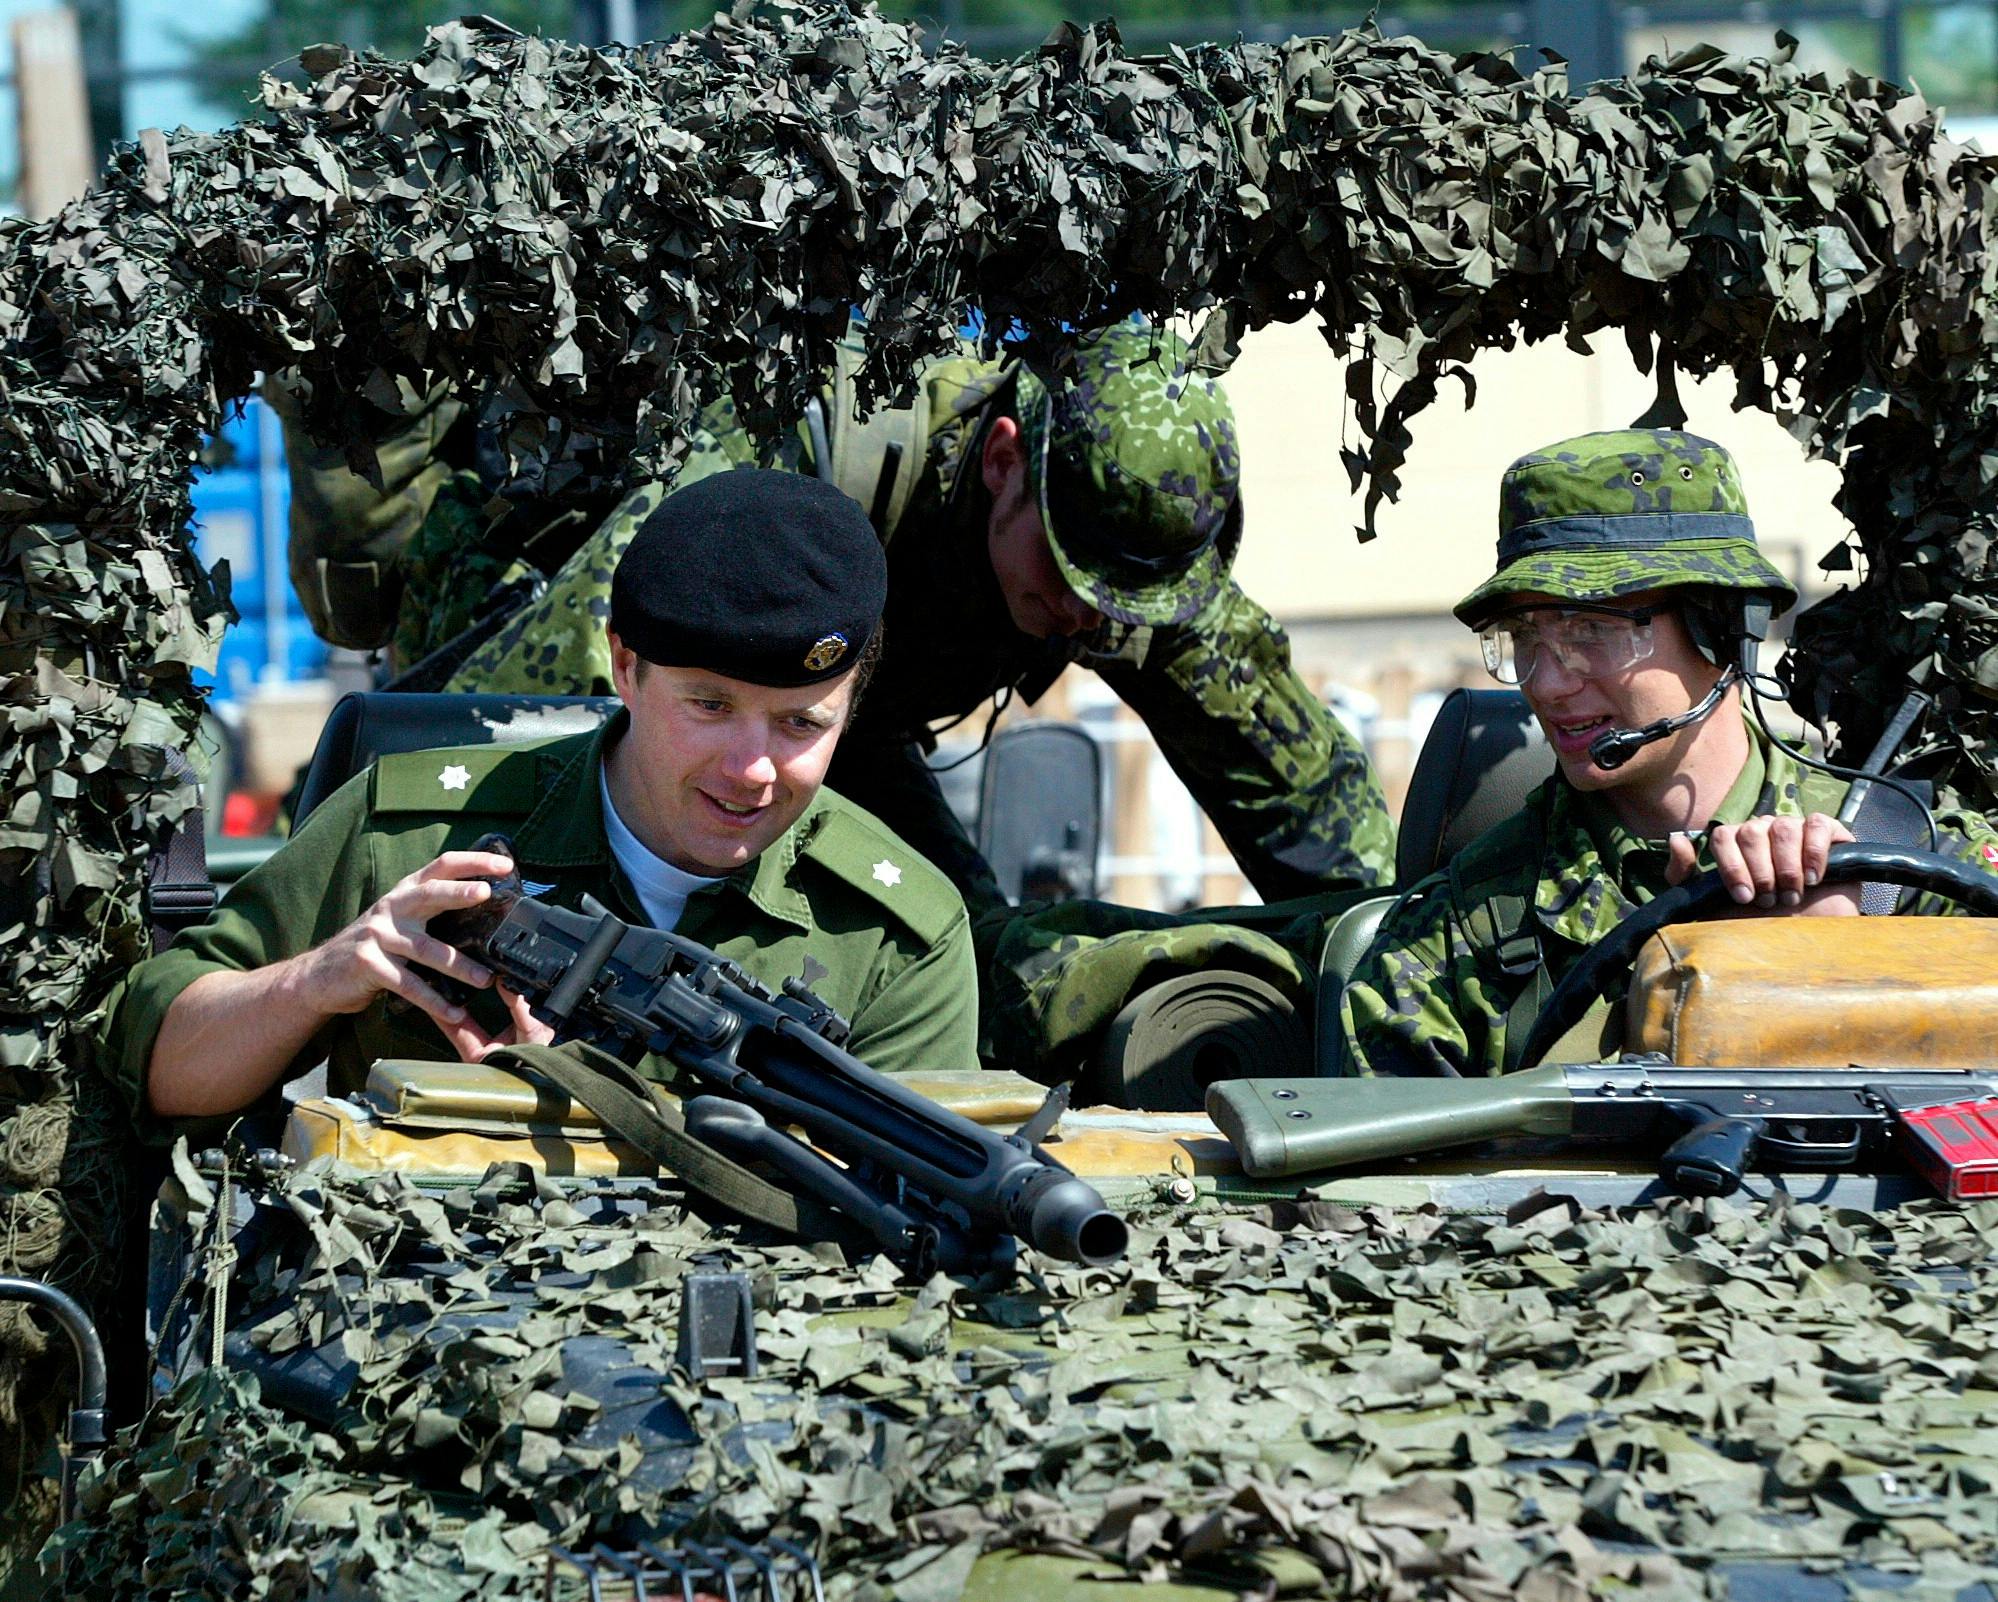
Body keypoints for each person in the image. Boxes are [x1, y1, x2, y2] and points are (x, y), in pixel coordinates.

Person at [291, 323, 1397, 919]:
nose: (1085, 619)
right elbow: (558, 697)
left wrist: (1378, 956)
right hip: (670, 705)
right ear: (1003, 459)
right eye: (1067, 577)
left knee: (960, 949)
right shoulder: (808, 447)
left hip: (837, 727)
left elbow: (1302, 792)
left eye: (1122, 605)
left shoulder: (1126, 558)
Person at [99, 470, 977, 1124]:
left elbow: (904, 1228)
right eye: (710, 707)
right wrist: (318, 977)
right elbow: (159, 1067)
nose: (753, 769)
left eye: (800, 725)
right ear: (625, 667)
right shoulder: (410, 835)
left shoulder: (893, 936)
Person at [1340, 428, 1998, 1079]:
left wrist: (1845, 967)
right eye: (1525, 637)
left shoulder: (1917, 863)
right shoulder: (1451, 941)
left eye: (1589, 630)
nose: (1546, 682)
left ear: (1722, 626)